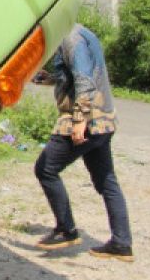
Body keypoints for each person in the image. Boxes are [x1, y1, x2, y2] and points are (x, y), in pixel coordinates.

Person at [34, 23, 133, 261]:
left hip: (86, 121)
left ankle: (66, 230)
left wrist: (80, 120)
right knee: (107, 181)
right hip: (104, 122)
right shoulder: (83, 32)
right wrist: (49, 79)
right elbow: (72, 74)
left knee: (45, 169)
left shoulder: (71, 37)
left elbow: (84, 79)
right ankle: (121, 244)